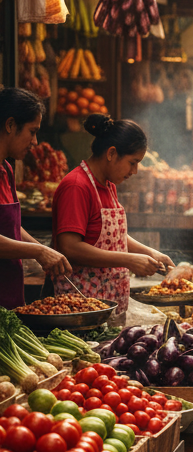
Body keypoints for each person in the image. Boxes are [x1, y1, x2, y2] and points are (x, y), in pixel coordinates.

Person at [52, 115, 173, 322]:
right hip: (81, 307)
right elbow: (69, 247)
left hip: (109, 303)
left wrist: (149, 252)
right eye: (132, 163)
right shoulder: (76, 186)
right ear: (111, 153)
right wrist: (129, 260)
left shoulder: (108, 185)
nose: (134, 171)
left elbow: (113, 235)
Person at [0, 88, 71, 306]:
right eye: (32, 131)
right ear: (10, 125)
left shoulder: (7, 170)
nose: (35, 142)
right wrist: (38, 251)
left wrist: (44, 251)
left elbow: (11, 226)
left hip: (8, 290)